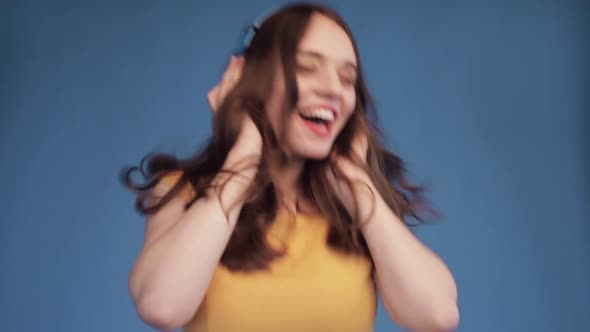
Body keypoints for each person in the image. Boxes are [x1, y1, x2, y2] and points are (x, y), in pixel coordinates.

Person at [121, 3, 459, 332]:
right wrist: (242, 163)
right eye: (307, 68)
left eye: (347, 78)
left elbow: (436, 316)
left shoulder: (356, 207)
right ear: (250, 80)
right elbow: (161, 306)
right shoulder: (182, 191)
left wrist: (359, 186)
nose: (333, 90)